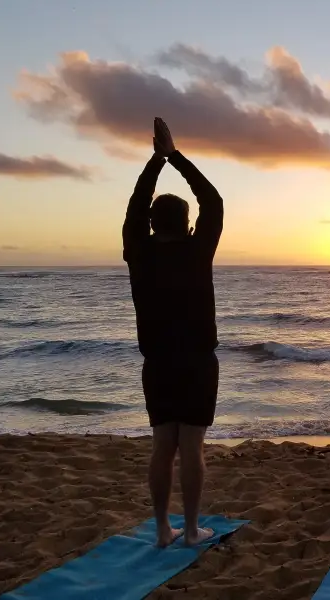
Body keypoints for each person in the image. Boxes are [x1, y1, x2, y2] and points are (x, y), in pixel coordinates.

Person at [123, 117, 224, 547]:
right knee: (193, 446)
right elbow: (213, 201)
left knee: (163, 445)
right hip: (198, 362)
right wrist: (174, 155)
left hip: (159, 363)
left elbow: (134, 207)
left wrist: (155, 162)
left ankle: (164, 529)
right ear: (186, 224)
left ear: (150, 224)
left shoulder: (139, 253)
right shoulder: (197, 250)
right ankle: (191, 529)